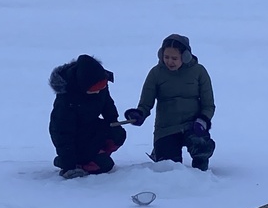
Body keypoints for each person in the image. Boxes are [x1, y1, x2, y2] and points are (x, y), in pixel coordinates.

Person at [123, 34, 216, 171]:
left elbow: (208, 105)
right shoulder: (155, 73)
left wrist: (202, 120)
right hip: (166, 129)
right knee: (168, 168)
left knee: (201, 146)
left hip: (193, 125)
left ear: (185, 56)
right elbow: (145, 104)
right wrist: (139, 114)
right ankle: (160, 151)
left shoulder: (199, 71)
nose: (169, 62)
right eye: (166, 57)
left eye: (174, 58)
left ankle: (201, 169)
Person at [48, 54, 126, 178]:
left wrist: (113, 121)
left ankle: (94, 156)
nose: (99, 91)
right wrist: (69, 166)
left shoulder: (100, 82)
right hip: (74, 137)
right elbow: (62, 134)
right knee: (106, 165)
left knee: (118, 134)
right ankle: (74, 162)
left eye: (102, 87)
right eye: (95, 89)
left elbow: (107, 104)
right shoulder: (66, 101)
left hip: (90, 128)